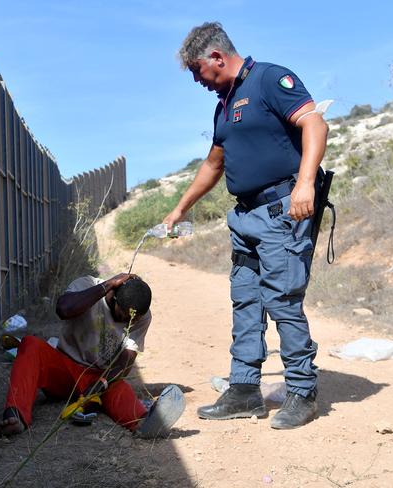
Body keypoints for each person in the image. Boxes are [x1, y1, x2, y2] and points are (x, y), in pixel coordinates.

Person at [163, 22, 328, 429]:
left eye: (198, 71)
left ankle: (302, 392)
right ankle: (243, 390)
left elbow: (314, 124)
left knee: (283, 300)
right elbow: (214, 162)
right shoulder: (224, 104)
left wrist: (305, 183)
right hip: (245, 217)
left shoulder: (271, 79)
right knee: (246, 301)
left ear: (216, 57)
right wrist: (180, 209)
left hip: (281, 210)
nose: (199, 81)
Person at [0, 273, 185, 438]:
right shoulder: (87, 285)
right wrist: (108, 284)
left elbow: (126, 361)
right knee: (30, 344)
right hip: (63, 370)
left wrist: (102, 383)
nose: (130, 323)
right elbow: (63, 310)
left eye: (134, 320)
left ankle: (144, 422)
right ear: (114, 298)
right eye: (126, 317)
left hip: (98, 378)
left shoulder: (142, 316)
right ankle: (16, 415)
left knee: (118, 386)